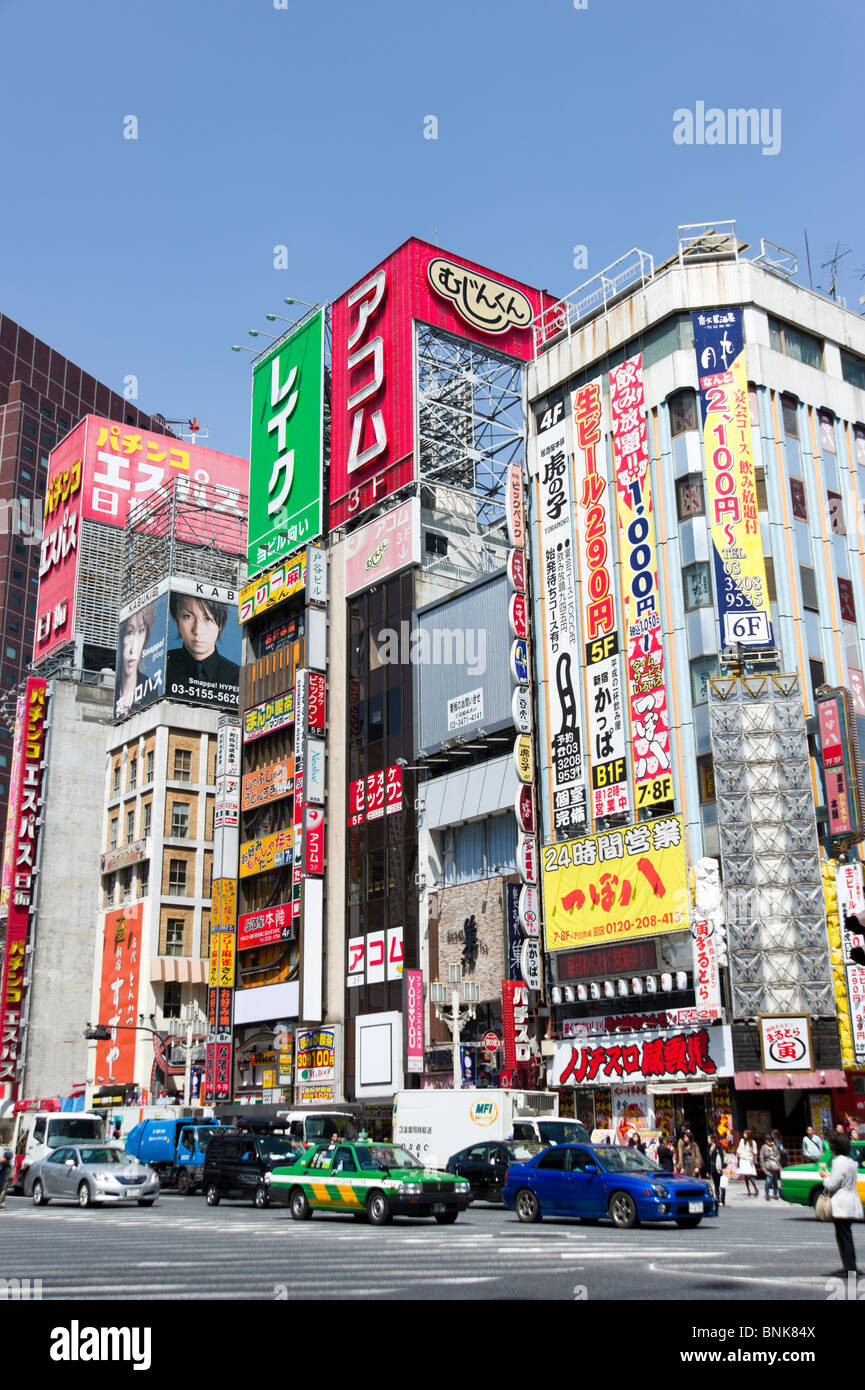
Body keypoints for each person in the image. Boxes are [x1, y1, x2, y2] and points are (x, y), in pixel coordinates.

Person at [165, 594, 238, 694]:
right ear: (176, 619)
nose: (198, 631)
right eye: (188, 616)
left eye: (208, 618)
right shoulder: (163, 666)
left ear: (220, 623)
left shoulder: (238, 677)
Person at [819, 1131, 864, 1275]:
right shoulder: (851, 1161)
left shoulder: (838, 1161)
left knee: (842, 1236)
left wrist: (825, 1177)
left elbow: (832, 1184)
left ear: (835, 1147)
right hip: (852, 1200)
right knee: (846, 1235)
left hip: (842, 1203)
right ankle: (850, 1267)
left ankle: (849, 1268)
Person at [115, 602, 156, 718]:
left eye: (141, 631)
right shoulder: (112, 696)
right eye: (129, 633)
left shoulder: (151, 689)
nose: (134, 648)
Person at [760, 1133, 782, 1201]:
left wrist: (776, 1159)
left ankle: (775, 1194)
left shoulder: (774, 1147)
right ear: (765, 1141)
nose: (769, 1141)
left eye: (770, 1140)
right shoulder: (763, 1147)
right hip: (767, 1166)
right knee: (768, 1181)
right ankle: (767, 1194)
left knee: (775, 1181)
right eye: (768, 1140)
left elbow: (778, 1155)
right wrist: (763, 1166)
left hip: (774, 1166)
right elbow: (761, 1157)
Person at [737, 1129, 759, 1196]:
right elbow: (739, 1149)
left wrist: (752, 1152)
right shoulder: (742, 1141)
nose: (744, 1135)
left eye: (745, 1134)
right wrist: (737, 1154)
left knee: (749, 1175)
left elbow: (755, 1152)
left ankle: (755, 1188)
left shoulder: (753, 1142)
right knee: (745, 1176)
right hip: (743, 1159)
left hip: (748, 1160)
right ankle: (748, 1190)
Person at [707, 1133, 726, 1207]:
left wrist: (721, 1166)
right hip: (712, 1168)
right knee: (716, 1184)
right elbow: (708, 1159)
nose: (708, 1140)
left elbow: (721, 1156)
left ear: (713, 1139)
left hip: (718, 1168)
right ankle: (717, 1199)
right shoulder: (709, 1147)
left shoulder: (718, 1147)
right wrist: (708, 1170)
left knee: (721, 1184)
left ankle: (722, 1200)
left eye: (709, 1138)